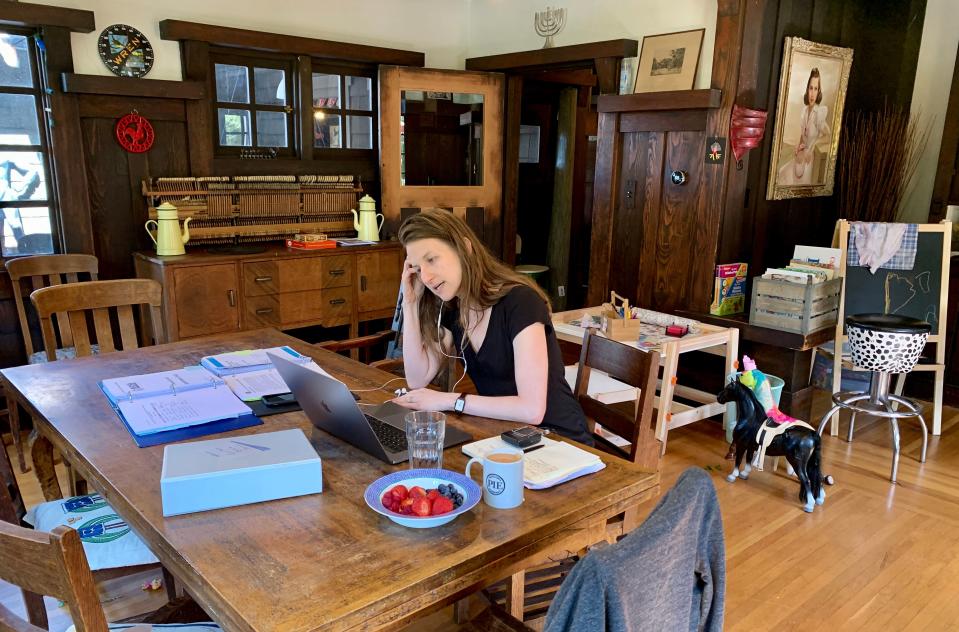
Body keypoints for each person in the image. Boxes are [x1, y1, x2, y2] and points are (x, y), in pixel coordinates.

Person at [392, 209, 593, 445]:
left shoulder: (521, 302)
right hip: (507, 438)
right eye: (416, 268)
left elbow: (532, 410)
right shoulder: (453, 309)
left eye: (431, 259)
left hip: (560, 441)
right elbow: (417, 379)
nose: (425, 277)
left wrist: (448, 400)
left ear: (464, 249)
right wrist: (410, 301)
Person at [791, 67, 831, 183]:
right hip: (802, 154)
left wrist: (812, 147)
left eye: (815, 89)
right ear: (807, 89)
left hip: (811, 157)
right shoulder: (804, 111)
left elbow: (828, 136)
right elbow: (803, 135)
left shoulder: (819, 113)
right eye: (811, 88)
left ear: (818, 91)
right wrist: (798, 146)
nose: (812, 93)